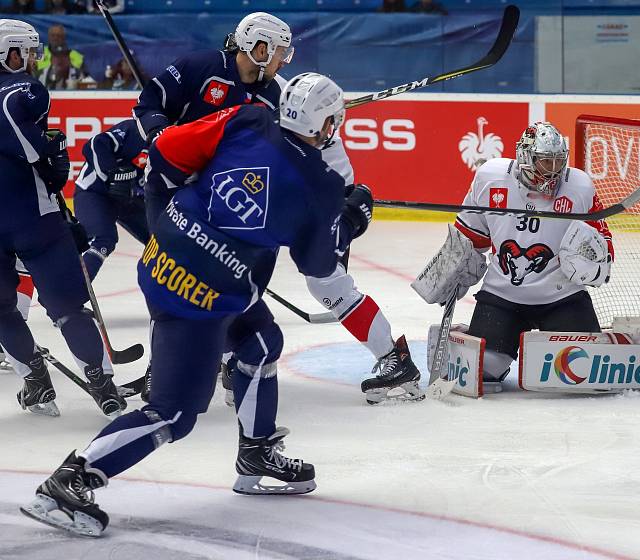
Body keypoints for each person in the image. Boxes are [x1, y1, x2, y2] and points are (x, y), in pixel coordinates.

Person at [21, 72, 371, 537]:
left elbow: (165, 153)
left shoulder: (249, 118)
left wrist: (165, 219)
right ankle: (70, 481)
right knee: (173, 412)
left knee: (262, 343)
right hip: (199, 297)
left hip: (162, 260)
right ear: (326, 124)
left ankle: (256, 451)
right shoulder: (321, 185)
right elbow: (319, 263)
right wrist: (350, 217)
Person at [134, 11, 421, 405]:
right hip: (177, 190)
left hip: (233, 203)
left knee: (308, 283)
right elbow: (150, 106)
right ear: (258, 46)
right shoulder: (202, 68)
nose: (284, 60)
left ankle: (235, 359)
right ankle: (173, 366)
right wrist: (159, 135)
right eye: (280, 52)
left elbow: (325, 161)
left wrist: (339, 204)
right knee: (179, 275)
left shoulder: (276, 96)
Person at [408, 123, 614, 389]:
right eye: (544, 162)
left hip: (562, 297)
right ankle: (466, 336)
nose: (553, 171)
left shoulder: (578, 186)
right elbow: (469, 239)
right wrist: (451, 270)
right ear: (526, 158)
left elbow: (604, 242)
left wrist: (594, 263)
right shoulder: (490, 178)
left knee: (584, 374)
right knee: (486, 371)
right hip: (503, 297)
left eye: (557, 162)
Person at [0, 19, 125, 417]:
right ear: (9, 53)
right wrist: (50, 154)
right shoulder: (24, 89)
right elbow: (41, 154)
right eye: (27, 52)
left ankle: (35, 381)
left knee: (2, 310)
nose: (34, 60)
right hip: (34, 219)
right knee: (68, 306)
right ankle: (103, 384)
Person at [73, 119, 150, 280]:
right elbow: (95, 144)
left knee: (160, 242)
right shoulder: (137, 129)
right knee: (103, 238)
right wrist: (112, 174)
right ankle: (71, 294)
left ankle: (173, 299)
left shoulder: (177, 140)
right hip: (95, 192)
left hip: (131, 198)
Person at [37, 24, 87, 90]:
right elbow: (32, 71)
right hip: (41, 88)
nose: (55, 38)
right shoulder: (40, 51)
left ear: (64, 37)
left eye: (59, 36)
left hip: (67, 91)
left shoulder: (75, 55)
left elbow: (85, 77)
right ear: (48, 37)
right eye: (53, 35)